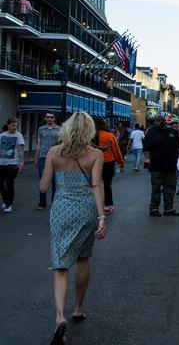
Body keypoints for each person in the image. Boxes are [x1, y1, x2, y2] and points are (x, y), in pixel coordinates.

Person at [39, 112, 107, 345]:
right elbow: (97, 185)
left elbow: (43, 186)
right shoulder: (95, 154)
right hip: (87, 211)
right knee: (83, 258)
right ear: (89, 130)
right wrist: (101, 218)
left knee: (60, 265)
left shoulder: (54, 153)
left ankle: (59, 316)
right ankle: (78, 307)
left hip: (62, 211)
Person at [143, 115, 179, 217]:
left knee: (170, 189)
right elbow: (147, 148)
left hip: (171, 166)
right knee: (156, 188)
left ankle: (169, 209)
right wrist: (147, 159)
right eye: (155, 121)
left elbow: (178, 148)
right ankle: (154, 208)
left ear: (164, 121)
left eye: (159, 121)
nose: (156, 123)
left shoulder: (172, 132)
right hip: (156, 166)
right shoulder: (151, 132)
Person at [95, 118, 125, 214]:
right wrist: (121, 163)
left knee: (95, 184)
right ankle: (108, 205)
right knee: (107, 185)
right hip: (108, 162)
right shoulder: (109, 135)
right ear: (104, 124)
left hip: (94, 163)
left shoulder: (91, 135)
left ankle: (97, 205)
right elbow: (116, 151)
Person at [35, 112, 62, 209]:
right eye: (48, 117)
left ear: (54, 119)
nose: (49, 119)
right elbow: (39, 143)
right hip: (43, 156)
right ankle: (42, 202)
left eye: (51, 117)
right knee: (43, 179)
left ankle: (54, 202)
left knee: (55, 181)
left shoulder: (60, 129)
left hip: (56, 157)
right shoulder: (41, 129)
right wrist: (36, 157)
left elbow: (62, 143)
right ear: (45, 118)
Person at [0, 117, 25, 213]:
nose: (14, 127)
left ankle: (8, 205)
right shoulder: (2, 136)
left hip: (13, 163)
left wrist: (21, 162)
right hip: (2, 163)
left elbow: (21, 150)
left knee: (9, 183)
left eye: (16, 125)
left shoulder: (19, 136)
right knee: (0, 183)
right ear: (8, 125)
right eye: (12, 125)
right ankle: (6, 200)